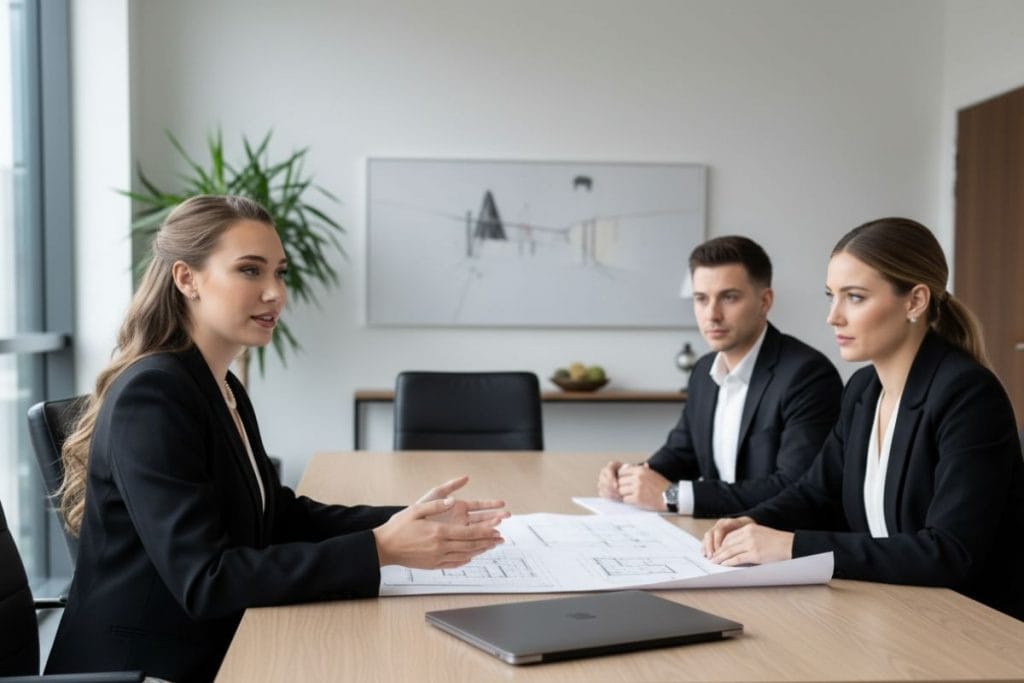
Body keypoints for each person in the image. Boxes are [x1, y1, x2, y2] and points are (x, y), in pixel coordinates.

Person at [45, 195, 509, 681]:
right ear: (186, 279)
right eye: (250, 270)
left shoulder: (219, 384)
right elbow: (206, 581)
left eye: (279, 273)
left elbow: (276, 516)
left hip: (212, 643)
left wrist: (410, 520)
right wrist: (380, 547)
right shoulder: (154, 396)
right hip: (148, 669)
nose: (275, 293)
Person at [702, 218, 1024, 621]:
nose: (833, 317)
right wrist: (751, 521)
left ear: (915, 301)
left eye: (854, 297)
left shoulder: (967, 395)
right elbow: (815, 493)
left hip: (973, 624)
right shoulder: (863, 389)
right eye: (831, 296)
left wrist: (790, 546)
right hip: (895, 609)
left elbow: (949, 552)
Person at [597, 236, 842, 517]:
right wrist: (629, 479)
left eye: (729, 297)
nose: (712, 315)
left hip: (775, 536)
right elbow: (681, 454)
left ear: (764, 302)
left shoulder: (807, 376)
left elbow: (795, 488)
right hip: (717, 532)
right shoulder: (704, 371)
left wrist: (671, 496)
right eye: (701, 299)